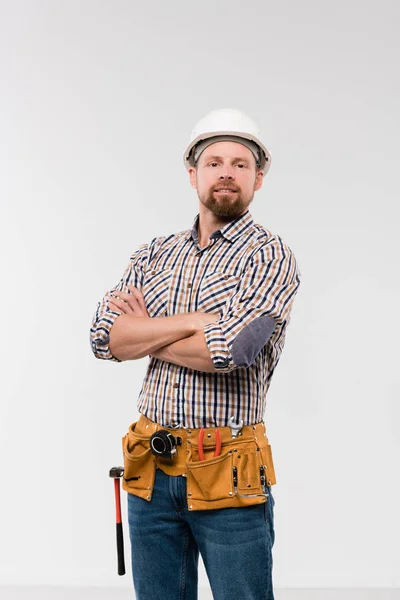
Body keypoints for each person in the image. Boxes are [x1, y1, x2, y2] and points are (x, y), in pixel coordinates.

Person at [90, 108, 301, 600]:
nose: (226, 172)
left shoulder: (269, 255)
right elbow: (104, 339)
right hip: (151, 469)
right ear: (193, 175)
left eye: (240, 164)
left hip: (229, 472)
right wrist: (192, 322)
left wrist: (144, 331)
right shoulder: (153, 254)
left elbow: (234, 350)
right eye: (214, 162)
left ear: (258, 179)